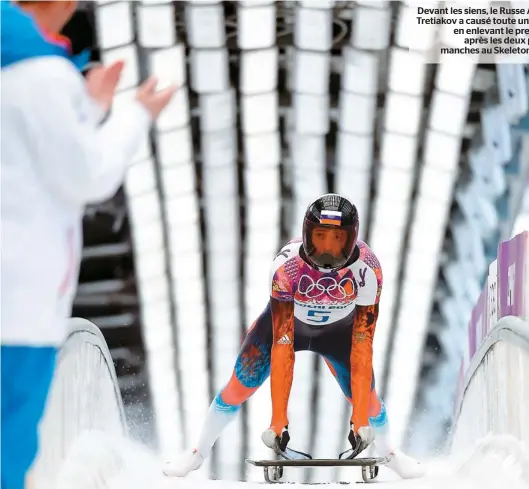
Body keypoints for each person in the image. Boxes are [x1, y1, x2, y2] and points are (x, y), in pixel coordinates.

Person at [1, 2, 176, 488]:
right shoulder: (40, 70)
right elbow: (86, 173)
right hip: (18, 303)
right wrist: (133, 115)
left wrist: (89, 106)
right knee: (9, 442)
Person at [163, 194, 426, 480]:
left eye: (337, 239)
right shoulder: (285, 269)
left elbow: (362, 346)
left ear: (352, 239)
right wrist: (278, 421)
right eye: (321, 237)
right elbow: (282, 346)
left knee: (370, 402)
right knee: (238, 388)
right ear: (306, 234)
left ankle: (390, 452)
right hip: (284, 330)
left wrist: (360, 416)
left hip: (338, 333)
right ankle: (197, 453)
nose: (327, 250)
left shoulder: (368, 270)